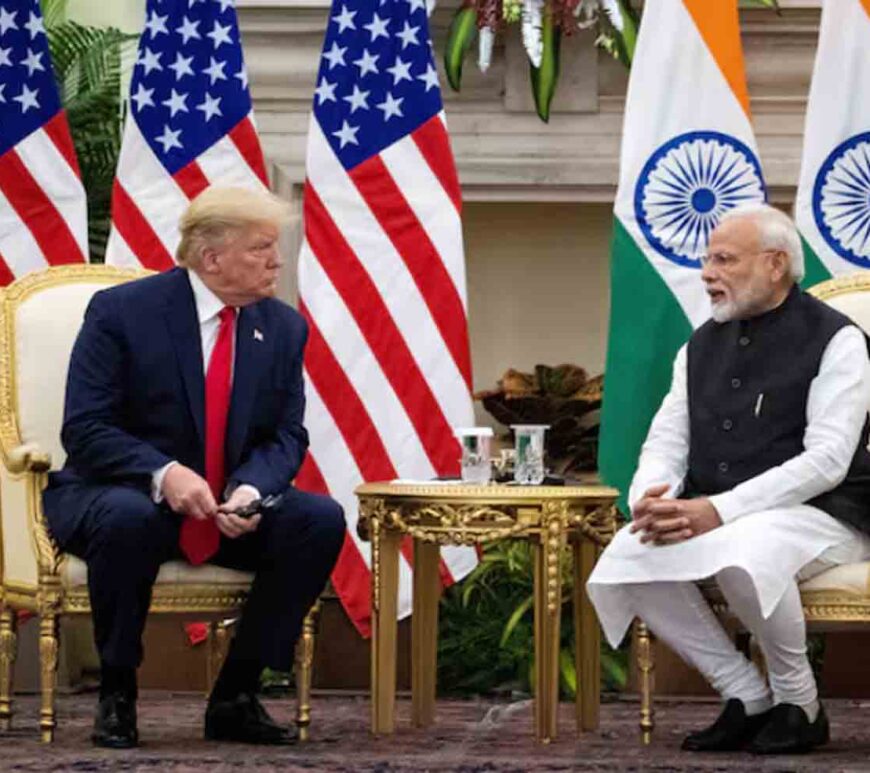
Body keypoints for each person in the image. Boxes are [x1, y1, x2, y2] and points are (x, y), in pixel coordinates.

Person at [43, 186, 345, 748]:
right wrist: (165, 473)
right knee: (128, 518)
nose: (277, 262)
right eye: (260, 248)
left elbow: (286, 434)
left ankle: (236, 694)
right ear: (211, 258)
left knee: (318, 520)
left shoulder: (281, 328)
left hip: (224, 506)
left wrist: (251, 488)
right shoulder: (123, 313)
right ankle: (117, 692)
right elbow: (85, 429)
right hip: (123, 494)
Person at [587, 203, 870, 755]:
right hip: (729, 513)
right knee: (630, 554)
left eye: (724, 259)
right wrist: (654, 497)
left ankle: (799, 704)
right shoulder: (700, 345)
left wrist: (718, 510)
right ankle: (746, 695)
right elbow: (668, 438)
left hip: (831, 514)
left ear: (775, 264)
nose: (707, 273)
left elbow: (828, 460)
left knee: (744, 549)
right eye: (707, 258)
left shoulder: (838, 340)